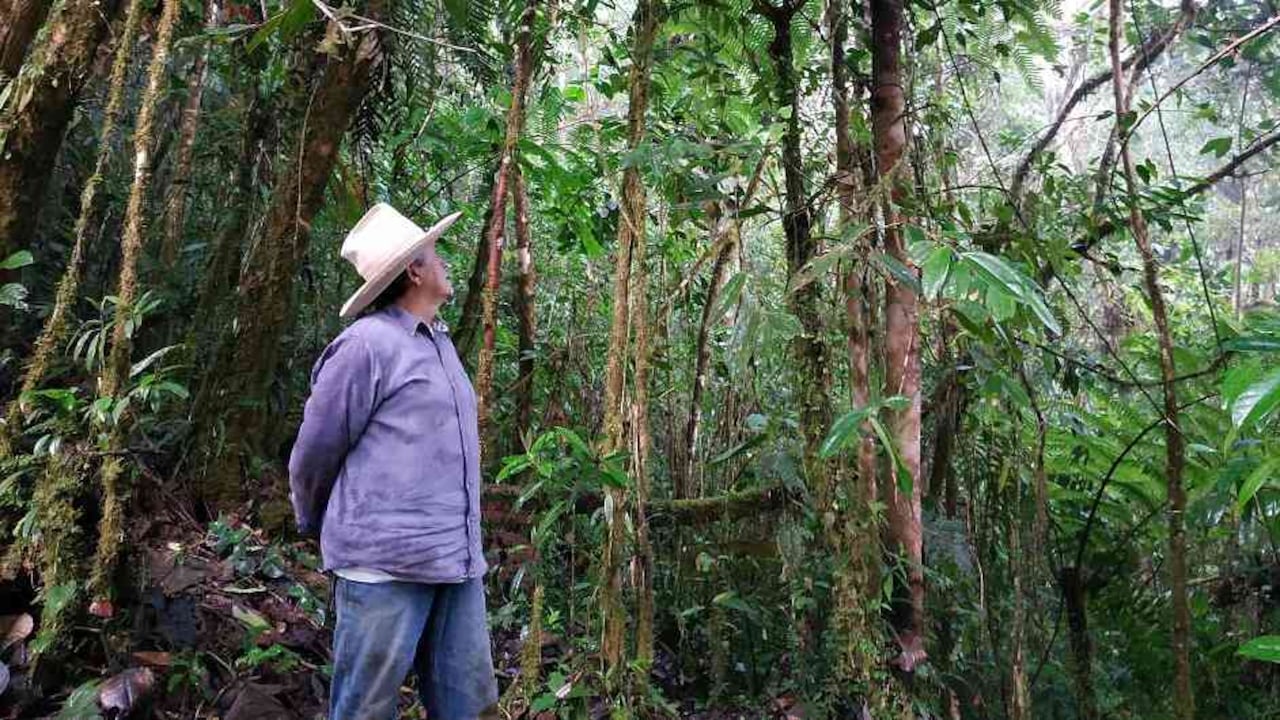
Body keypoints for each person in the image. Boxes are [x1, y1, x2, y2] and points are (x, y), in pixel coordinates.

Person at [288, 203, 499, 720]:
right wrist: (318, 525)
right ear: (414, 271)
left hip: (454, 562)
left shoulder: (440, 345)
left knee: (469, 707)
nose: (443, 261)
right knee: (365, 709)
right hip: (383, 567)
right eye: (435, 254)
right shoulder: (365, 346)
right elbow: (313, 454)